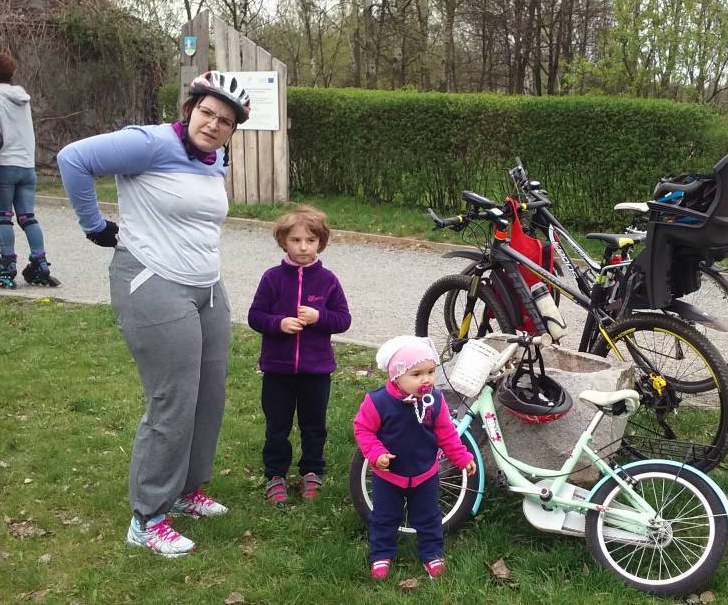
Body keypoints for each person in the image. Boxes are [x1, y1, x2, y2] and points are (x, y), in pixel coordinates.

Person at [57, 70, 252, 558]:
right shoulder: (148, 143)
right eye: (207, 112)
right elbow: (73, 159)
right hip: (153, 281)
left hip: (206, 287)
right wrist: (94, 226)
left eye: (225, 121)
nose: (213, 124)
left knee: (208, 395)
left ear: (232, 130)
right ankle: (147, 518)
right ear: (190, 109)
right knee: (173, 399)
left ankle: (186, 490)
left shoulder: (214, 158)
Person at [247, 205, 351, 504]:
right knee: (277, 426)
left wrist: (319, 317)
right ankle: (275, 475)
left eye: (310, 240)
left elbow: (343, 320)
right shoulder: (272, 278)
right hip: (277, 370)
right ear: (283, 241)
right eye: (296, 240)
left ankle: (312, 472)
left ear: (321, 242)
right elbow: (255, 316)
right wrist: (278, 324)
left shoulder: (328, 281)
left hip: (316, 371)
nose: (303, 247)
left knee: (314, 425)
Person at [353, 336, 477, 581]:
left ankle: (432, 554)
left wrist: (461, 457)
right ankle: (381, 554)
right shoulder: (378, 402)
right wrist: (376, 453)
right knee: (384, 517)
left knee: (429, 517)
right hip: (389, 476)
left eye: (431, 372)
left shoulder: (435, 401)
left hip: (425, 474)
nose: (427, 379)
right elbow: (363, 429)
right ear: (396, 376)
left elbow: (446, 433)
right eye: (417, 374)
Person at [0, 52, 58, 289]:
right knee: (27, 217)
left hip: (4, 166)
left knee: (2, 216)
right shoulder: (23, 99)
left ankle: (7, 264)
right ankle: (40, 262)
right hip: (27, 166)